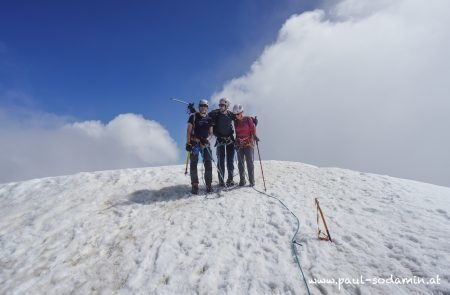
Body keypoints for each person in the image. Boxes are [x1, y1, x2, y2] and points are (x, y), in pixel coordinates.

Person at [186, 99, 214, 194]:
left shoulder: (209, 119)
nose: (203, 107)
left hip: (205, 143)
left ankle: (208, 184)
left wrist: (207, 139)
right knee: (193, 163)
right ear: (199, 107)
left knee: (208, 163)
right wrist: (188, 143)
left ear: (207, 107)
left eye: (205, 106)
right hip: (194, 142)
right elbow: (189, 131)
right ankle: (195, 184)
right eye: (201, 105)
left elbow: (211, 133)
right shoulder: (193, 117)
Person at [208, 97, 236, 187]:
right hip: (220, 139)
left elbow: (240, 118)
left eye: (222, 105)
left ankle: (230, 179)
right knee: (220, 160)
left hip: (230, 139)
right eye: (219, 105)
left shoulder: (231, 114)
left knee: (230, 160)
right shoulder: (215, 114)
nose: (220, 107)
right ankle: (221, 180)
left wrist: (251, 120)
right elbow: (203, 115)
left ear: (227, 105)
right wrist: (194, 111)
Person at [233, 104, 259, 186]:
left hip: (248, 143)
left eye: (239, 113)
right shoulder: (235, 122)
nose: (237, 116)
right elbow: (236, 133)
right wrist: (236, 141)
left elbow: (252, 129)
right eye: (236, 114)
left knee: (249, 162)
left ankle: (251, 180)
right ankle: (242, 180)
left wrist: (255, 136)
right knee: (240, 163)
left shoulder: (248, 119)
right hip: (239, 143)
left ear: (242, 112)